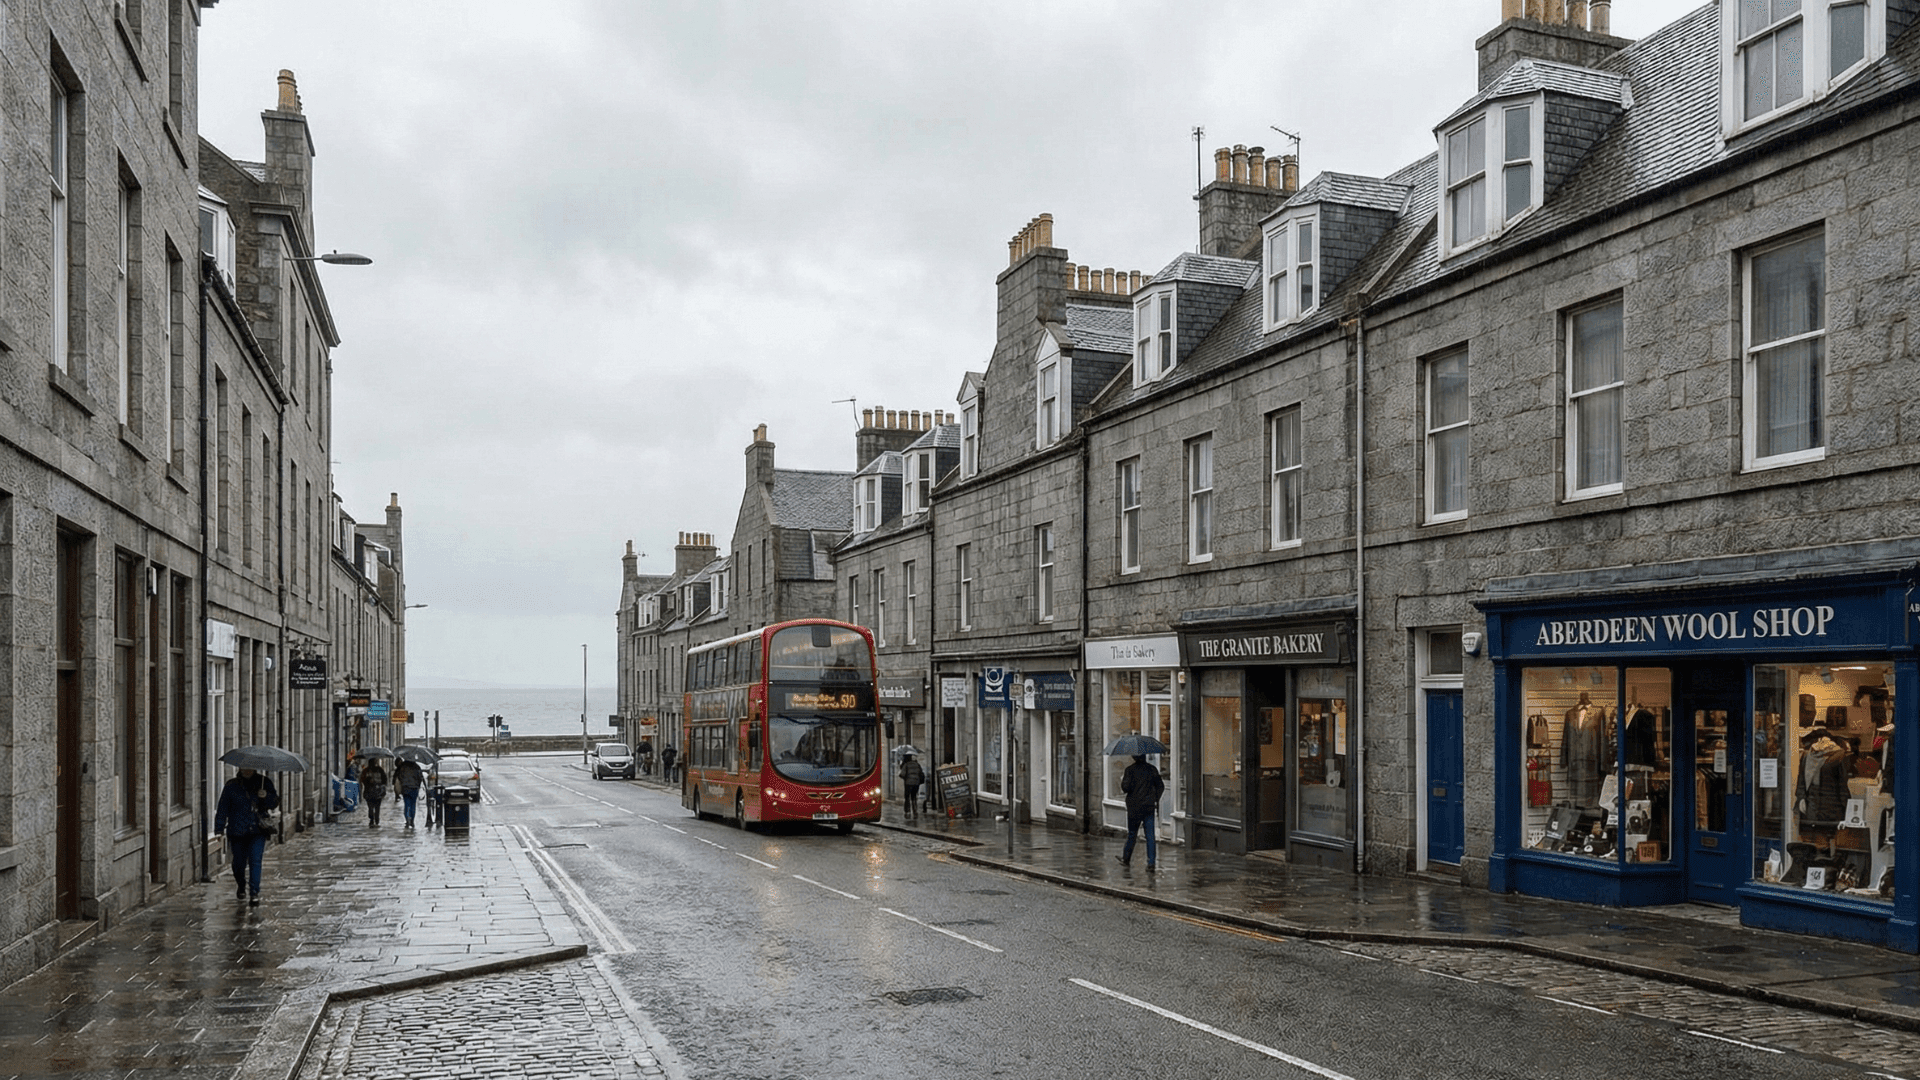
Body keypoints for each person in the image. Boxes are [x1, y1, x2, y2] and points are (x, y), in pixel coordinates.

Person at [214, 767, 280, 906]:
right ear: (240, 768)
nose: (248, 770)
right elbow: (223, 807)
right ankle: (241, 885)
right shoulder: (231, 785)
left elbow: (274, 803)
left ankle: (254, 893)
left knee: (255, 861)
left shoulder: (264, 782)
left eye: (250, 768)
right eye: (245, 768)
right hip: (237, 830)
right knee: (238, 864)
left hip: (257, 830)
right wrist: (219, 828)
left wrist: (266, 796)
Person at [1119, 753, 1165, 871]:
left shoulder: (1130, 770)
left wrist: (1124, 781)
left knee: (1132, 834)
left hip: (1134, 807)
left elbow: (1125, 788)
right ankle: (1151, 863)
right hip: (1148, 807)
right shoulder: (1152, 769)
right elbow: (1160, 786)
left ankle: (1126, 858)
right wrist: (1155, 798)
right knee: (1150, 836)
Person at [394, 758, 426, 828]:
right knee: (413, 804)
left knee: (407, 804)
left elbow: (399, 776)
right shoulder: (416, 766)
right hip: (414, 788)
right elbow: (420, 777)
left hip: (405, 788)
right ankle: (412, 820)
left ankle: (408, 819)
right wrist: (418, 784)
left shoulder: (402, 766)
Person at [361, 758, 390, 828]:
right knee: (376, 807)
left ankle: (372, 819)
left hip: (370, 792)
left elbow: (363, 780)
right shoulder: (379, 770)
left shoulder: (366, 770)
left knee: (371, 807)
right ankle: (375, 819)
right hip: (376, 792)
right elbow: (385, 780)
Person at [899, 753, 926, 818]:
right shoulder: (917, 764)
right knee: (914, 797)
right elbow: (921, 773)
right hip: (916, 783)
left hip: (908, 783)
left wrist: (904, 777)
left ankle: (907, 811)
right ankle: (915, 811)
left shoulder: (906, 765)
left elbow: (902, 774)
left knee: (907, 798)